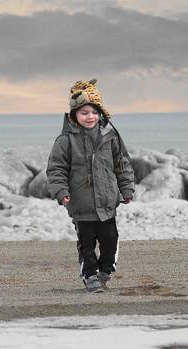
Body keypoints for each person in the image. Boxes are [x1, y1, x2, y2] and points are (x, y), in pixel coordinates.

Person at [46, 79, 135, 293]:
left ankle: (106, 270)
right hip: (81, 203)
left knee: (110, 240)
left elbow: (122, 163)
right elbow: (56, 169)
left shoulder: (110, 136)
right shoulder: (66, 140)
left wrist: (126, 188)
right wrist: (61, 192)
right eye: (84, 112)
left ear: (101, 113)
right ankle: (90, 276)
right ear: (74, 114)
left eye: (94, 112)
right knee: (86, 244)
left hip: (107, 202)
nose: (90, 117)